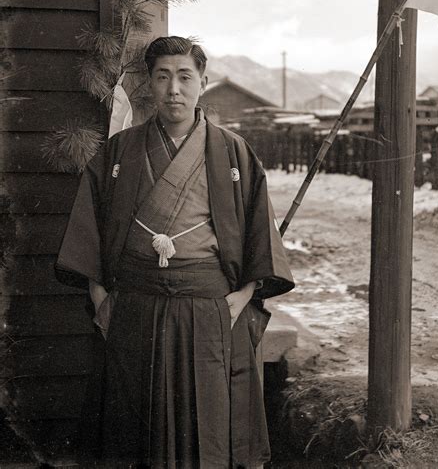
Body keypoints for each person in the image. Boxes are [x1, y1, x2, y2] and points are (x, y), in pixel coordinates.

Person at [56, 36, 294, 469]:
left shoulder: (233, 151)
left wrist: (242, 297)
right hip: (133, 306)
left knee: (210, 426)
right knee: (131, 428)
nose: (174, 89)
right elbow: (88, 228)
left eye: (185, 77)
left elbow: (259, 231)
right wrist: (98, 296)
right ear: (149, 83)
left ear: (203, 82)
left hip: (209, 307)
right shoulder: (121, 150)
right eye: (162, 77)